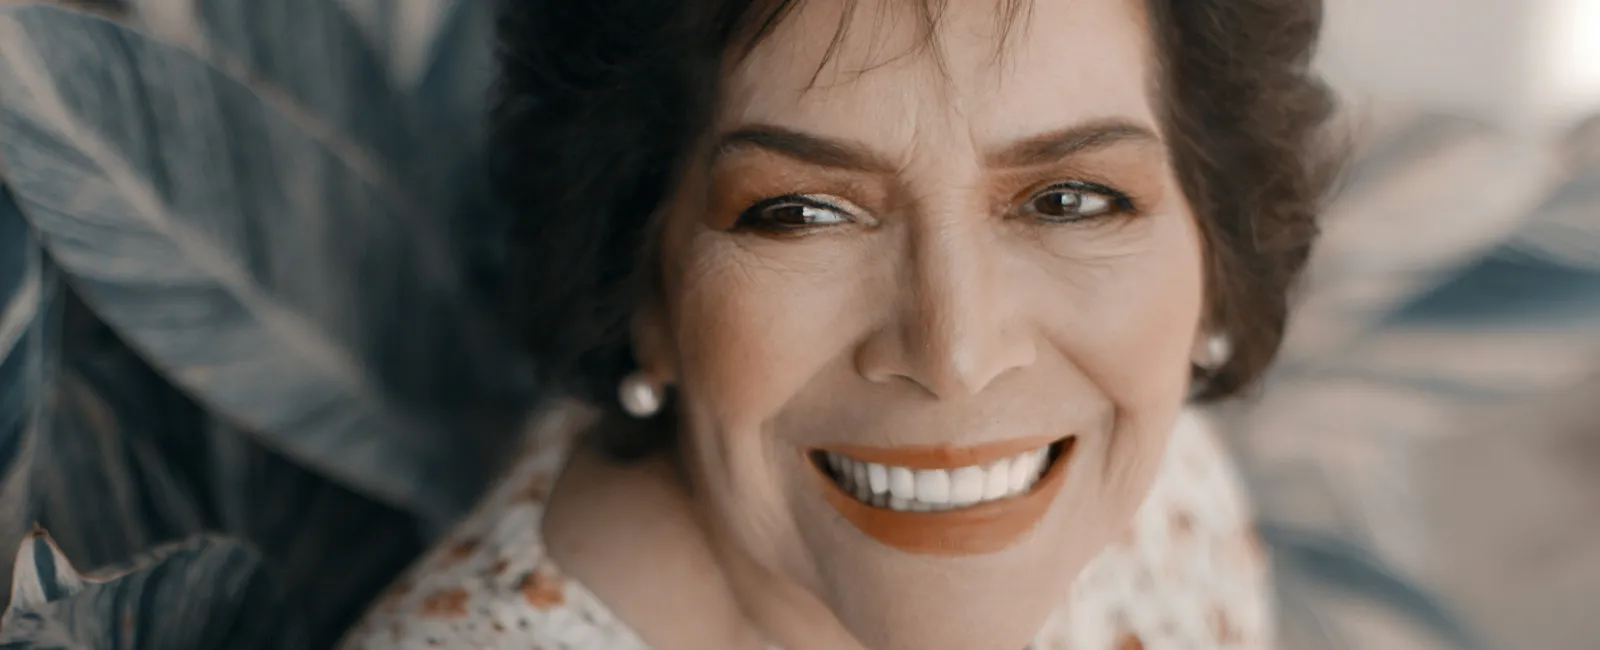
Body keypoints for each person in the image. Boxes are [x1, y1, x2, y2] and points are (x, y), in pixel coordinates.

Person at [338, 0, 1339, 647]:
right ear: (641, 288)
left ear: (1213, 254)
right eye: (801, 210)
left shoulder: (1165, 495)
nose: (955, 354)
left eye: (1069, 200)